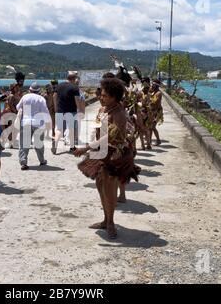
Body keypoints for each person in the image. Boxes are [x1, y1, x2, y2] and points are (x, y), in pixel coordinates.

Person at [74, 78, 139, 239]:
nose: (101, 98)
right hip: (100, 153)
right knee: (99, 185)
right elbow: (98, 130)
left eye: (105, 96)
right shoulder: (103, 110)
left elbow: (110, 137)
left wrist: (87, 147)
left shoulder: (119, 114)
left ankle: (110, 222)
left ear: (115, 97)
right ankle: (105, 219)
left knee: (110, 189)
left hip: (114, 156)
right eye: (101, 95)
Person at [16, 82, 51, 171]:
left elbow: (17, 107)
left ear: (30, 90)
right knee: (38, 143)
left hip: (26, 122)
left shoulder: (25, 97)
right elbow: (45, 112)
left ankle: (23, 162)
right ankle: (42, 160)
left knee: (24, 144)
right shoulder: (41, 99)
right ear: (39, 91)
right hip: (38, 123)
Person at [52, 71, 82, 154]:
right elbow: (77, 100)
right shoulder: (75, 88)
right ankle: (72, 147)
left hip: (60, 111)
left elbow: (54, 96)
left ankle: (55, 143)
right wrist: (79, 110)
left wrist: (56, 108)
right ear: (74, 79)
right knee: (71, 129)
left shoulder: (59, 85)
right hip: (71, 111)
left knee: (59, 129)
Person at [3, 83, 23, 148]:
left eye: (17, 87)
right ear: (13, 88)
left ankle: (12, 142)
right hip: (12, 114)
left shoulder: (16, 95)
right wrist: (16, 112)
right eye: (15, 87)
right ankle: (11, 142)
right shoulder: (11, 96)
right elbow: (11, 105)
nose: (17, 88)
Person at [149, 79, 164, 146]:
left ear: (156, 86)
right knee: (150, 127)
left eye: (153, 85)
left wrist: (149, 101)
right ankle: (149, 140)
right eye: (152, 85)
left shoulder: (158, 93)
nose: (152, 86)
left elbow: (156, 102)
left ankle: (158, 140)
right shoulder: (153, 92)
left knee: (152, 127)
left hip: (157, 112)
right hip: (152, 111)